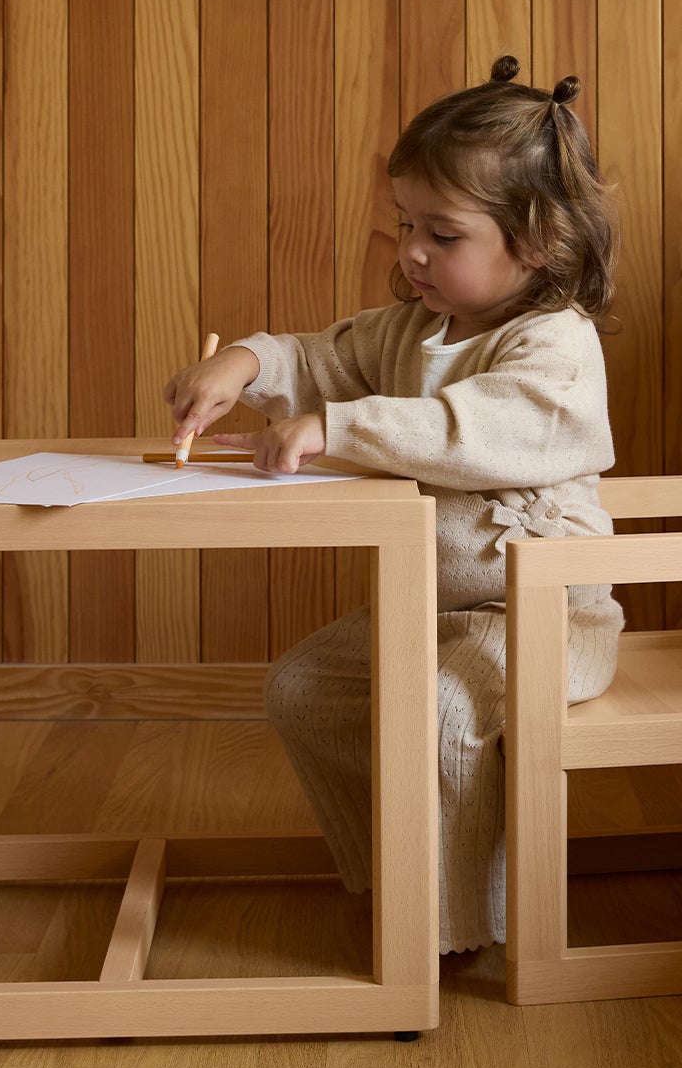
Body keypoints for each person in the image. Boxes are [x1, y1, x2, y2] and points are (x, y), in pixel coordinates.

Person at [163, 55, 623, 954]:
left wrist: (335, 428)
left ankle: (455, 925)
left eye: (442, 235)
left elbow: (466, 430)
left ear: (537, 241)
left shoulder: (554, 347)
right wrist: (246, 364)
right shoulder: (415, 327)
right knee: (305, 690)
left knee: (447, 716)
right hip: (435, 608)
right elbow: (322, 355)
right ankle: (395, 870)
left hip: (544, 616)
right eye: (405, 225)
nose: (411, 252)